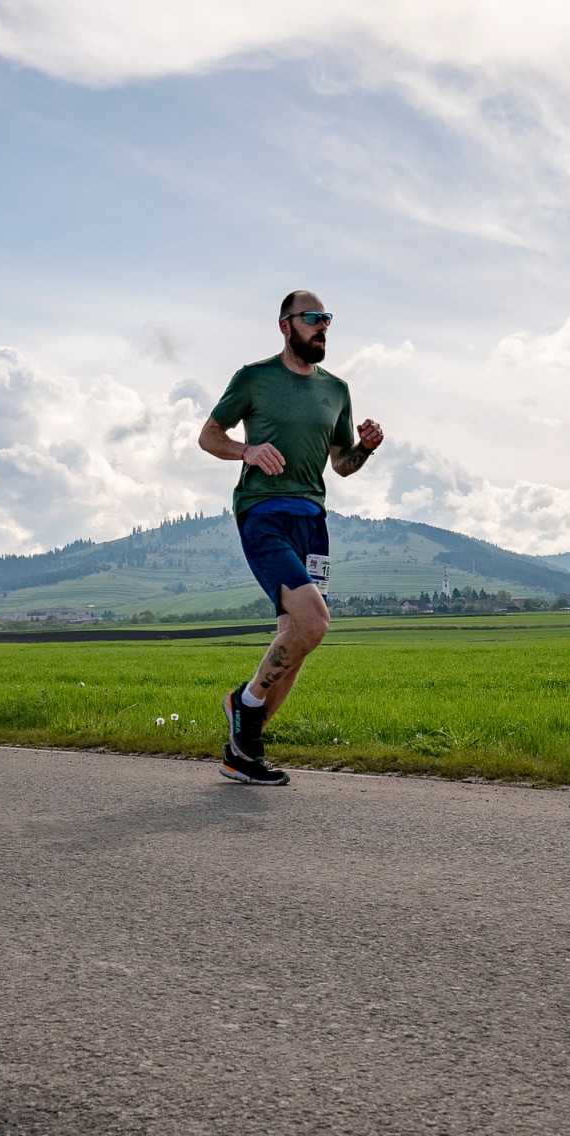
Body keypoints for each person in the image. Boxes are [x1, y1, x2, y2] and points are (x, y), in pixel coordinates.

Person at [197, 290, 384, 784]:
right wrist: (247, 451)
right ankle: (246, 702)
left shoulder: (337, 390)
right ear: (286, 326)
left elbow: (341, 465)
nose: (323, 327)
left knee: (298, 637)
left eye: (327, 319)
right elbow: (209, 436)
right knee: (315, 622)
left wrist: (363, 448)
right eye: (313, 318)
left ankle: (243, 750)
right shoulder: (254, 378)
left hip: (313, 522)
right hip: (264, 513)